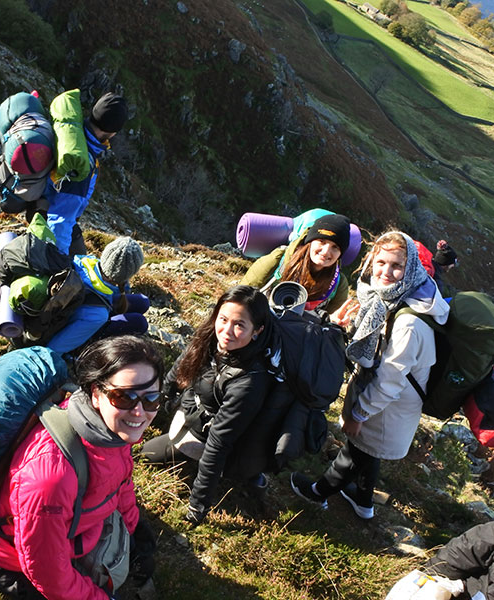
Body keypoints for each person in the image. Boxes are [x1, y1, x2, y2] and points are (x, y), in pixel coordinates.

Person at [0, 335, 163, 600]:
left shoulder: (111, 428)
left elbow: (119, 480)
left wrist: (134, 529)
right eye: (124, 397)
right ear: (96, 393)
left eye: (151, 399)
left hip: (73, 531)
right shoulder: (50, 477)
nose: (139, 412)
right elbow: (47, 572)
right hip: (18, 561)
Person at [290, 231, 449, 520]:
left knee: (355, 455)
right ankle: (363, 502)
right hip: (388, 401)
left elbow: (391, 380)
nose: (385, 272)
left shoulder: (409, 322)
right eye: (380, 262)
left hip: (388, 406)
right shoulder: (394, 299)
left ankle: (317, 493)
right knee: (366, 451)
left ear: (411, 268)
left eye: (396, 266)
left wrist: (359, 414)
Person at [141, 285, 278, 526]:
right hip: (195, 413)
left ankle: (245, 475)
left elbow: (219, 442)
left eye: (239, 325)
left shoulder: (249, 381)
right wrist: (157, 402)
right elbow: (179, 371)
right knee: (147, 451)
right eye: (223, 319)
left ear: (257, 331)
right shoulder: (209, 339)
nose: (227, 331)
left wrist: (198, 505)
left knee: (148, 455)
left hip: (220, 439)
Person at [45, 92, 128, 255]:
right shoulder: (82, 163)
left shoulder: (72, 134)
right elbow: (60, 218)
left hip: (40, 203)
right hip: (47, 217)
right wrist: (57, 259)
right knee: (78, 271)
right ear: (113, 132)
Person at [46, 236, 150, 355]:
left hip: (89, 306)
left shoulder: (87, 261)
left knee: (143, 301)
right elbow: (55, 348)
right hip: (85, 326)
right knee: (139, 322)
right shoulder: (97, 315)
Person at [241, 214, 353, 319]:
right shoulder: (279, 259)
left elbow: (329, 325)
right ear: (310, 241)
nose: (326, 252)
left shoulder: (339, 284)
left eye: (335, 247)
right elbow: (241, 295)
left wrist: (334, 323)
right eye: (321, 241)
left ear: (340, 254)